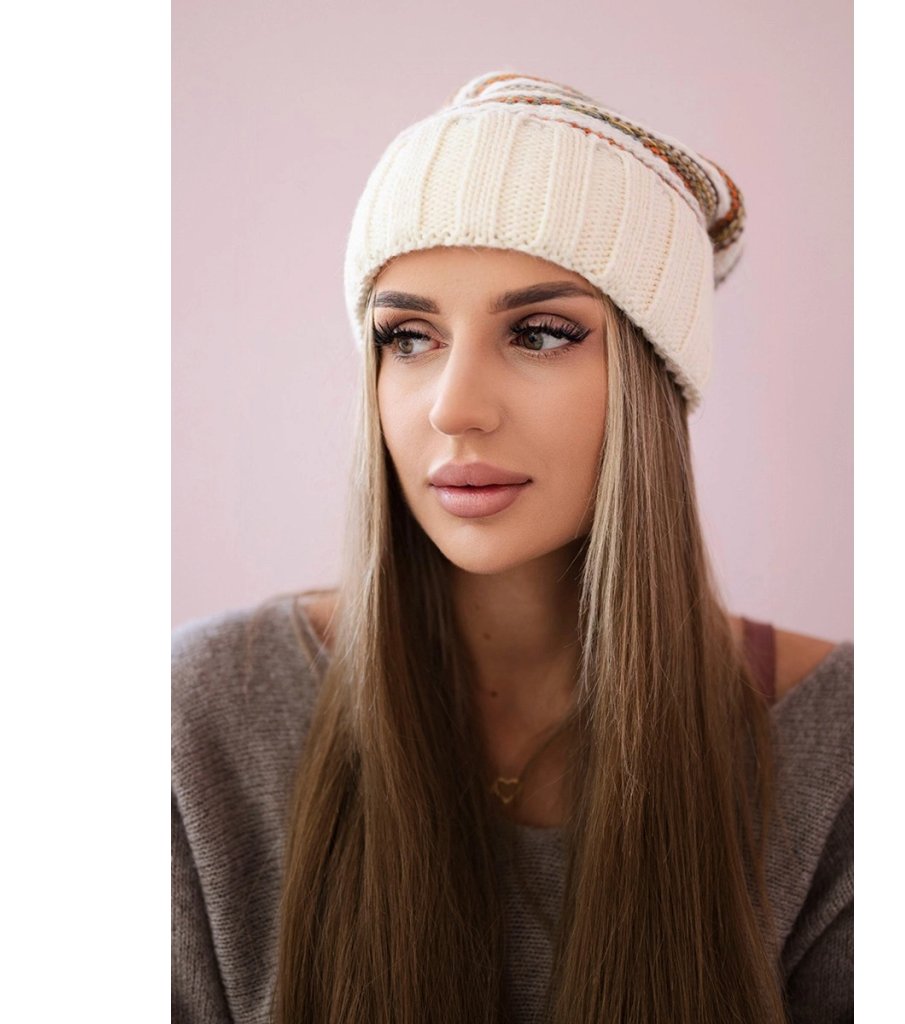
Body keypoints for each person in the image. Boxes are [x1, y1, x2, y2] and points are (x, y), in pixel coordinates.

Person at [172, 71, 853, 1024]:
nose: (454, 406)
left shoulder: (845, 750)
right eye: (408, 337)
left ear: (654, 377)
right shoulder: (204, 720)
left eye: (539, 333)